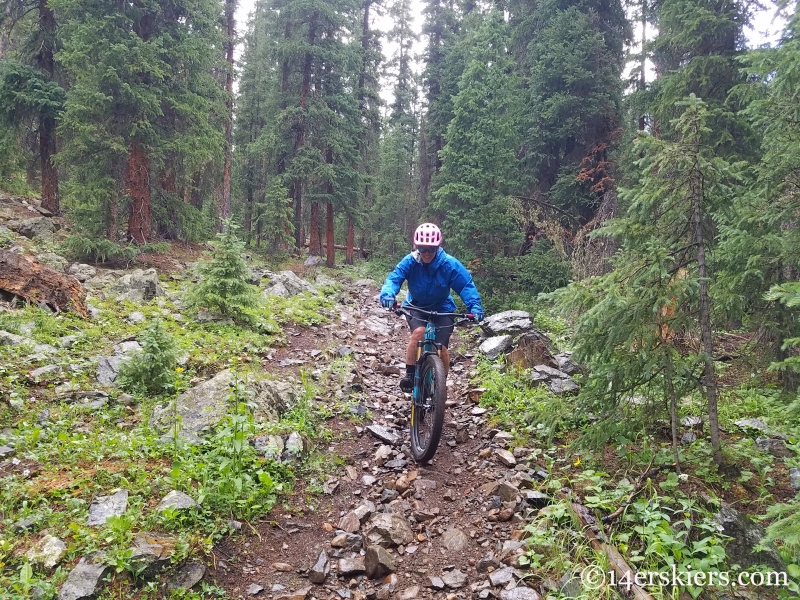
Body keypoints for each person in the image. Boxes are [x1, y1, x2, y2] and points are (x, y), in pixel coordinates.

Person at [379, 223, 485, 392]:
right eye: (422, 248)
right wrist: (388, 294)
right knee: (419, 333)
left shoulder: (449, 264)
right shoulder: (410, 261)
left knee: (441, 347)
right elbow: (394, 278)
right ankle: (410, 374)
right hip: (416, 306)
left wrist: (475, 307)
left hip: (443, 307)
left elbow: (465, 285)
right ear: (417, 247)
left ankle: (440, 384)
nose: (427, 253)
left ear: (438, 247)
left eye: (431, 249)